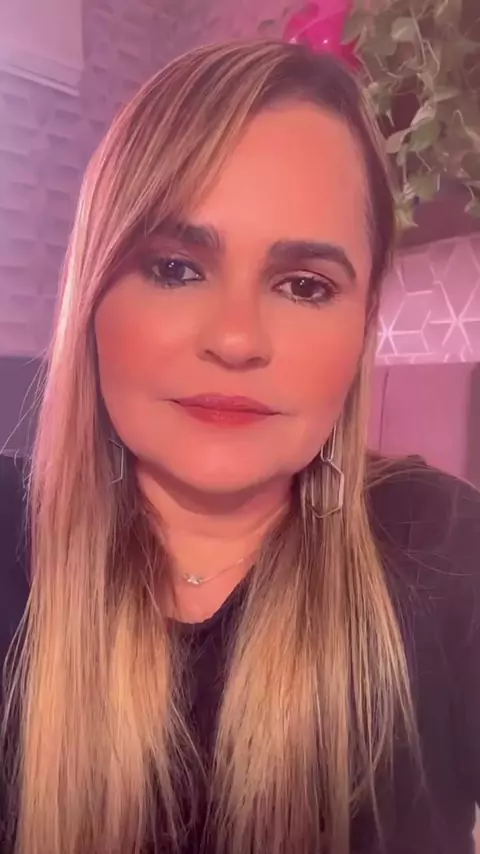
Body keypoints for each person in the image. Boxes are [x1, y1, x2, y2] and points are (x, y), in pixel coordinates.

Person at [0, 38, 479, 854]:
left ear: (362, 325)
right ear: (92, 293)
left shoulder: (444, 550)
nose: (235, 339)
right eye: (176, 268)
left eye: (304, 286)